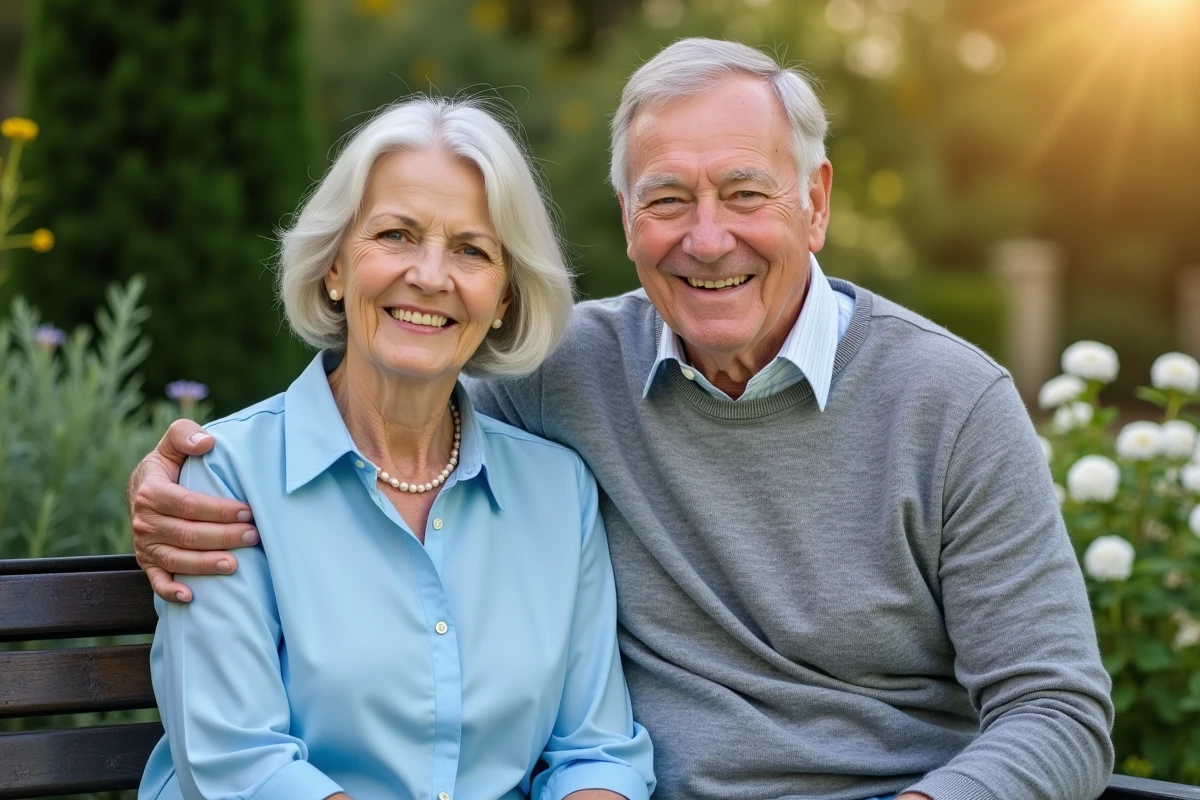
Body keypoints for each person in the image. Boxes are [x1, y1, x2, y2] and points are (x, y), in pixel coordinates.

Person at [128, 39, 1114, 800]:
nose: (707, 238)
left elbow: (1059, 710)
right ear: (626, 216)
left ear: (815, 203)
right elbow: (377, 406)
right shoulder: (567, 376)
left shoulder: (950, 405)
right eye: (668, 199)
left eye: (745, 193)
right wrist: (167, 480)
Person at [134, 97, 655, 800]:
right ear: (335, 266)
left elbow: (595, 751)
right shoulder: (227, 477)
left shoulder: (558, 490)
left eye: (471, 250)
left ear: (503, 297)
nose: (431, 276)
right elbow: (240, 763)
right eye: (396, 235)